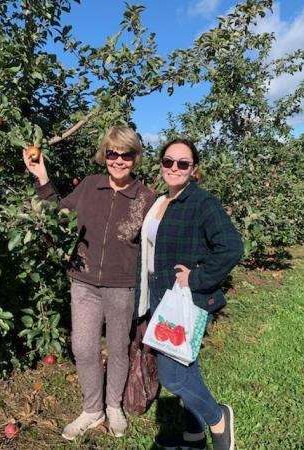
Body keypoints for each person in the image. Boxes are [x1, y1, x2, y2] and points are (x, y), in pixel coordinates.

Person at [23, 126, 154, 440]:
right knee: (83, 348)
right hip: (83, 281)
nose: (118, 160)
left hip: (122, 285)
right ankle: (92, 410)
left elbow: (158, 242)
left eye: (126, 154)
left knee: (119, 349)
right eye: (112, 153)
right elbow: (58, 212)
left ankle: (114, 407)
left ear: (135, 158)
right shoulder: (90, 186)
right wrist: (42, 177)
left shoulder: (145, 198)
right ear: (104, 155)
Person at [134, 138, 243, 450]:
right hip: (160, 295)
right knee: (187, 367)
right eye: (169, 161)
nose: (175, 168)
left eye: (183, 163)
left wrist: (197, 278)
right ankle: (193, 437)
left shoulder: (201, 202)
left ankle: (218, 418)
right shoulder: (160, 201)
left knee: (174, 378)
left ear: (194, 169)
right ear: (161, 164)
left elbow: (232, 247)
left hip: (185, 299)